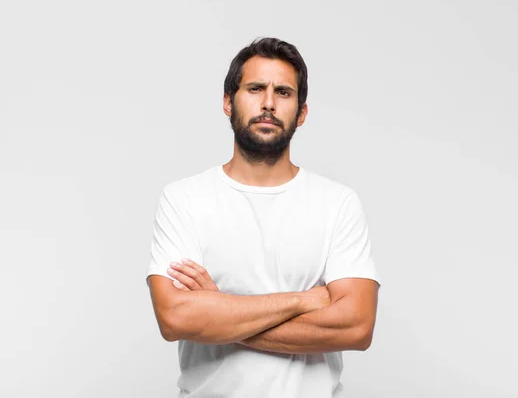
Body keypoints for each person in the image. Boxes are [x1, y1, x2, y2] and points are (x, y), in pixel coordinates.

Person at [146, 37, 381, 398]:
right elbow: (175, 318)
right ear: (228, 102)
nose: (268, 103)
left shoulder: (337, 203)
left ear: (301, 112)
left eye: (283, 93)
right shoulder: (184, 199)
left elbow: (357, 328)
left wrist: (220, 312)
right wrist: (302, 301)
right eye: (255, 88)